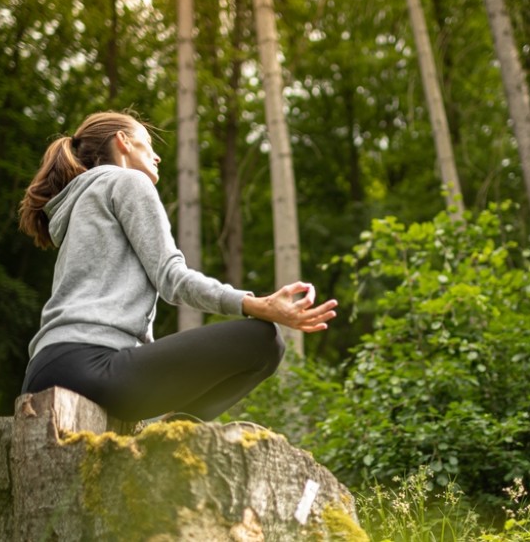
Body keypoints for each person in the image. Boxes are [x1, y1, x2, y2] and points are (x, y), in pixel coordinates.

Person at [17, 111, 336, 422]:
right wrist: (257, 305)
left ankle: (167, 433)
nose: (157, 157)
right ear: (123, 141)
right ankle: (176, 439)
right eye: (148, 144)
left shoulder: (78, 204)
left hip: (44, 368)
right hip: (93, 365)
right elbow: (173, 279)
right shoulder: (127, 181)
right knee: (265, 342)